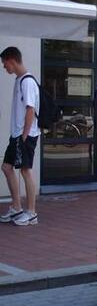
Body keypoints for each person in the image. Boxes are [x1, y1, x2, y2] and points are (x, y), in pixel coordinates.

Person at [0, 47, 40, 226]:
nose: (3, 67)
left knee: (25, 170)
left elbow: (30, 109)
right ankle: (16, 207)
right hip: (16, 134)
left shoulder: (27, 82)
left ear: (12, 60)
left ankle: (31, 212)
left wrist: (24, 135)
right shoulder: (19, 80)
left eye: (4, 63)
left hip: (26, 135)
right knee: (7, 167)